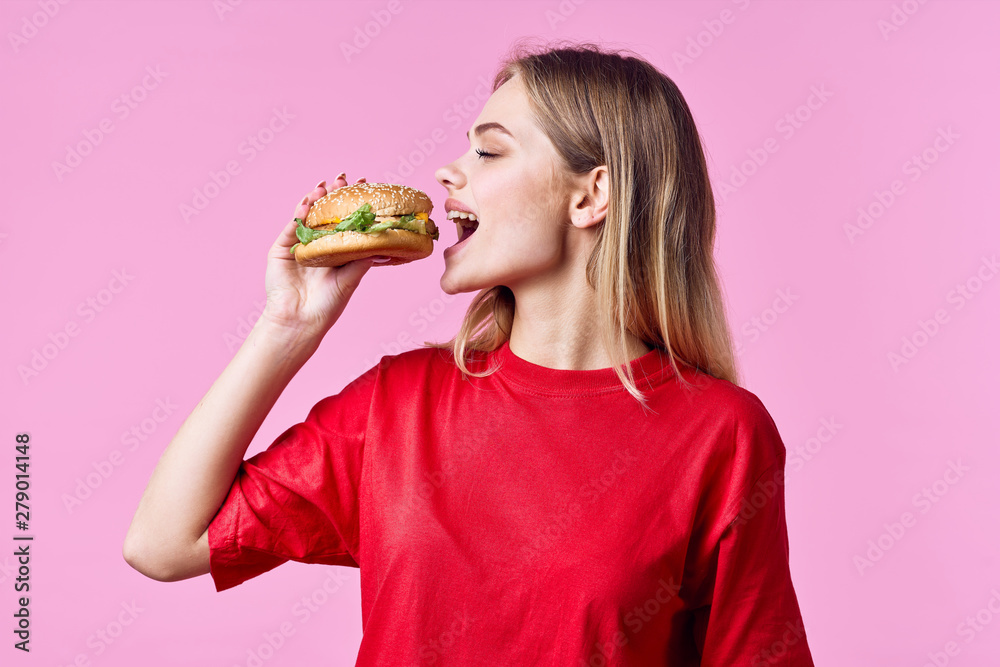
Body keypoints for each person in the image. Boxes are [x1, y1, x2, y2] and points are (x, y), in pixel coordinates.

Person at [124, 41, 815, 666]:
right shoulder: (400, 403)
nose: (448, 171)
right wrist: (288, 325)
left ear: (592, 194)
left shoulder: (721, 434)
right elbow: (162, 543)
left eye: (489, 150)